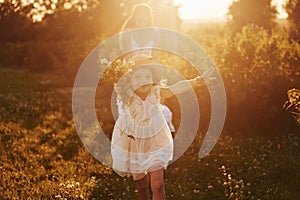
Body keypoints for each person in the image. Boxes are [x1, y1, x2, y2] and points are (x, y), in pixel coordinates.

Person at [111, 61, 212, 200]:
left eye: (147, 76)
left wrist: (197, 81)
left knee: (158, 185)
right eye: (137, 77)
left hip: (156, 141)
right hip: (133, 143)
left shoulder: (157, 92)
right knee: (141, 185)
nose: (143, 80)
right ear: (129, 81)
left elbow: (177, 87)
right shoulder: (124, 96)